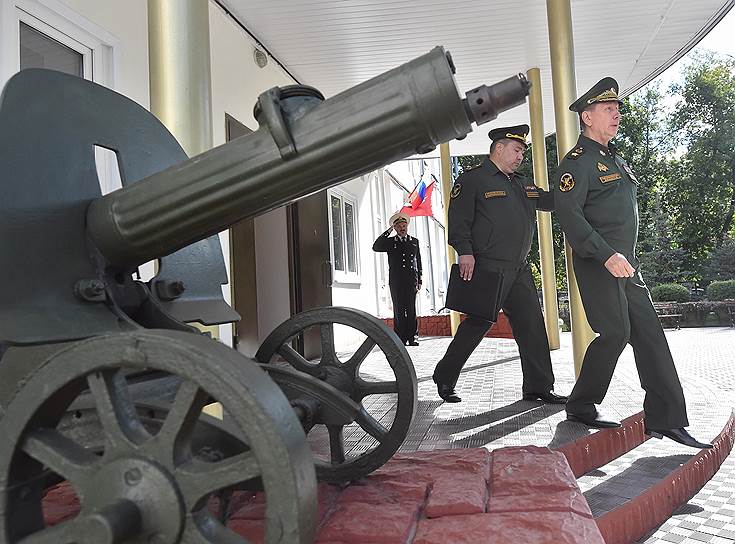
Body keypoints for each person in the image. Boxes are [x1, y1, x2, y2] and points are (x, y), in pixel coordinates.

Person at [554, 77, 711, 449]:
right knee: (616, 333)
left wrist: (621, 257)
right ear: (588, 118)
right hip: (598, 263)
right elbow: (570, 215)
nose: (617, 115)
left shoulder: (613, 158)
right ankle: (581, 404)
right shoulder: (576, 164)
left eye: (618, 109)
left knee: (650, 336)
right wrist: (606, 254)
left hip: (627, 266)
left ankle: (668, 419)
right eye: (609, 110)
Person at [432, 125, 567, 405]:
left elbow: (551, 201)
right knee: (477, 325)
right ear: (499, 148)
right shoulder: (473, 179)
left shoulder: (523, 184)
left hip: (518, 270)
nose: (520, 156)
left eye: (523, 152)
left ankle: (538, 387)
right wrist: (464, 251)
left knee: (532, 327)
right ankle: (445, 377)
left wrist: (576, 184)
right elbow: (458, 218)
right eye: (517, 150)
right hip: (487, 267)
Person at [373, 211, 422, 346]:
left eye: (404, 225)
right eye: (399, 226)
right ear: (395, 228)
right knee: (399, 308)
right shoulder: (390, 242)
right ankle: (400, 337)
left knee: (411, 309)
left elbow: (418, 261)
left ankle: (412, 337)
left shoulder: (414, 242)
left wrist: (420, 280)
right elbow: (376, 247)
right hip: (396, 281)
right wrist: (388, 231)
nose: (402, 228)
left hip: (411, 280)